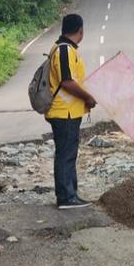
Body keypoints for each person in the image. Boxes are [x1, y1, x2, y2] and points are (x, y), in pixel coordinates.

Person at [46, 13, 98, 210]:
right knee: (66, 154)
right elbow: (67, 81)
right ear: (80, 31)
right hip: (64, 112)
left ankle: (70, 194)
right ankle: (66, 197)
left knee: (67, 153)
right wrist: (87, 97)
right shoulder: (65, 50)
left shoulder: (60, 48)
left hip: (67, 111)